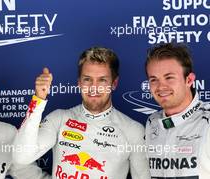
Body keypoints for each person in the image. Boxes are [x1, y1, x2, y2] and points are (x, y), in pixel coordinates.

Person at [13, 47, 151, 179]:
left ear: (114, 83)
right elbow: (22, 156)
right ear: (79, 82)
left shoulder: (133, 130)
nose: (93, 88)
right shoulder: (59, 118)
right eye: (87, 79)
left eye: (102, 80)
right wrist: (38, 100)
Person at [145, 43, 210, 178]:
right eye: (154, 79)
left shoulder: (207, 121)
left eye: (169, 77)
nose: (161, 86)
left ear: (189, 80)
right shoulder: (152, 122)